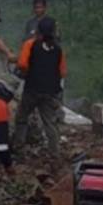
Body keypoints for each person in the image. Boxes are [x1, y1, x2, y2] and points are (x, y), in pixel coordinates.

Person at [12, 17, 67, 156]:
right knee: (50, 122)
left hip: (32, 89)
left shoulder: (30, 44)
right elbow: (62, 72)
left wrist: (25, 72)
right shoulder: (58, 49)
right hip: (50, 92)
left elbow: (22, 64)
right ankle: (54, 153)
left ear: (38, 30)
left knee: (22, 117)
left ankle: (19, 148)